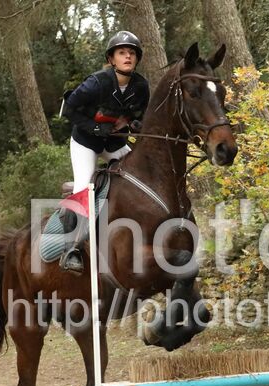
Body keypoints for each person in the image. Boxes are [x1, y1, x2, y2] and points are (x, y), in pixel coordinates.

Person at [59, 30, 150, 275]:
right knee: (83, 188)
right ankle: (72, 249)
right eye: (122, 52)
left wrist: (136, 124)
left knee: (138, 177)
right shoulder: (96, 83)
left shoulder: (141, 86)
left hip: (113, 143)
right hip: (86, 142)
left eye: (132, 53)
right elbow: (68, 109)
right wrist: (95, 127)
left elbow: (141, 115)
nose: (128, 56)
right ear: (111, 59)